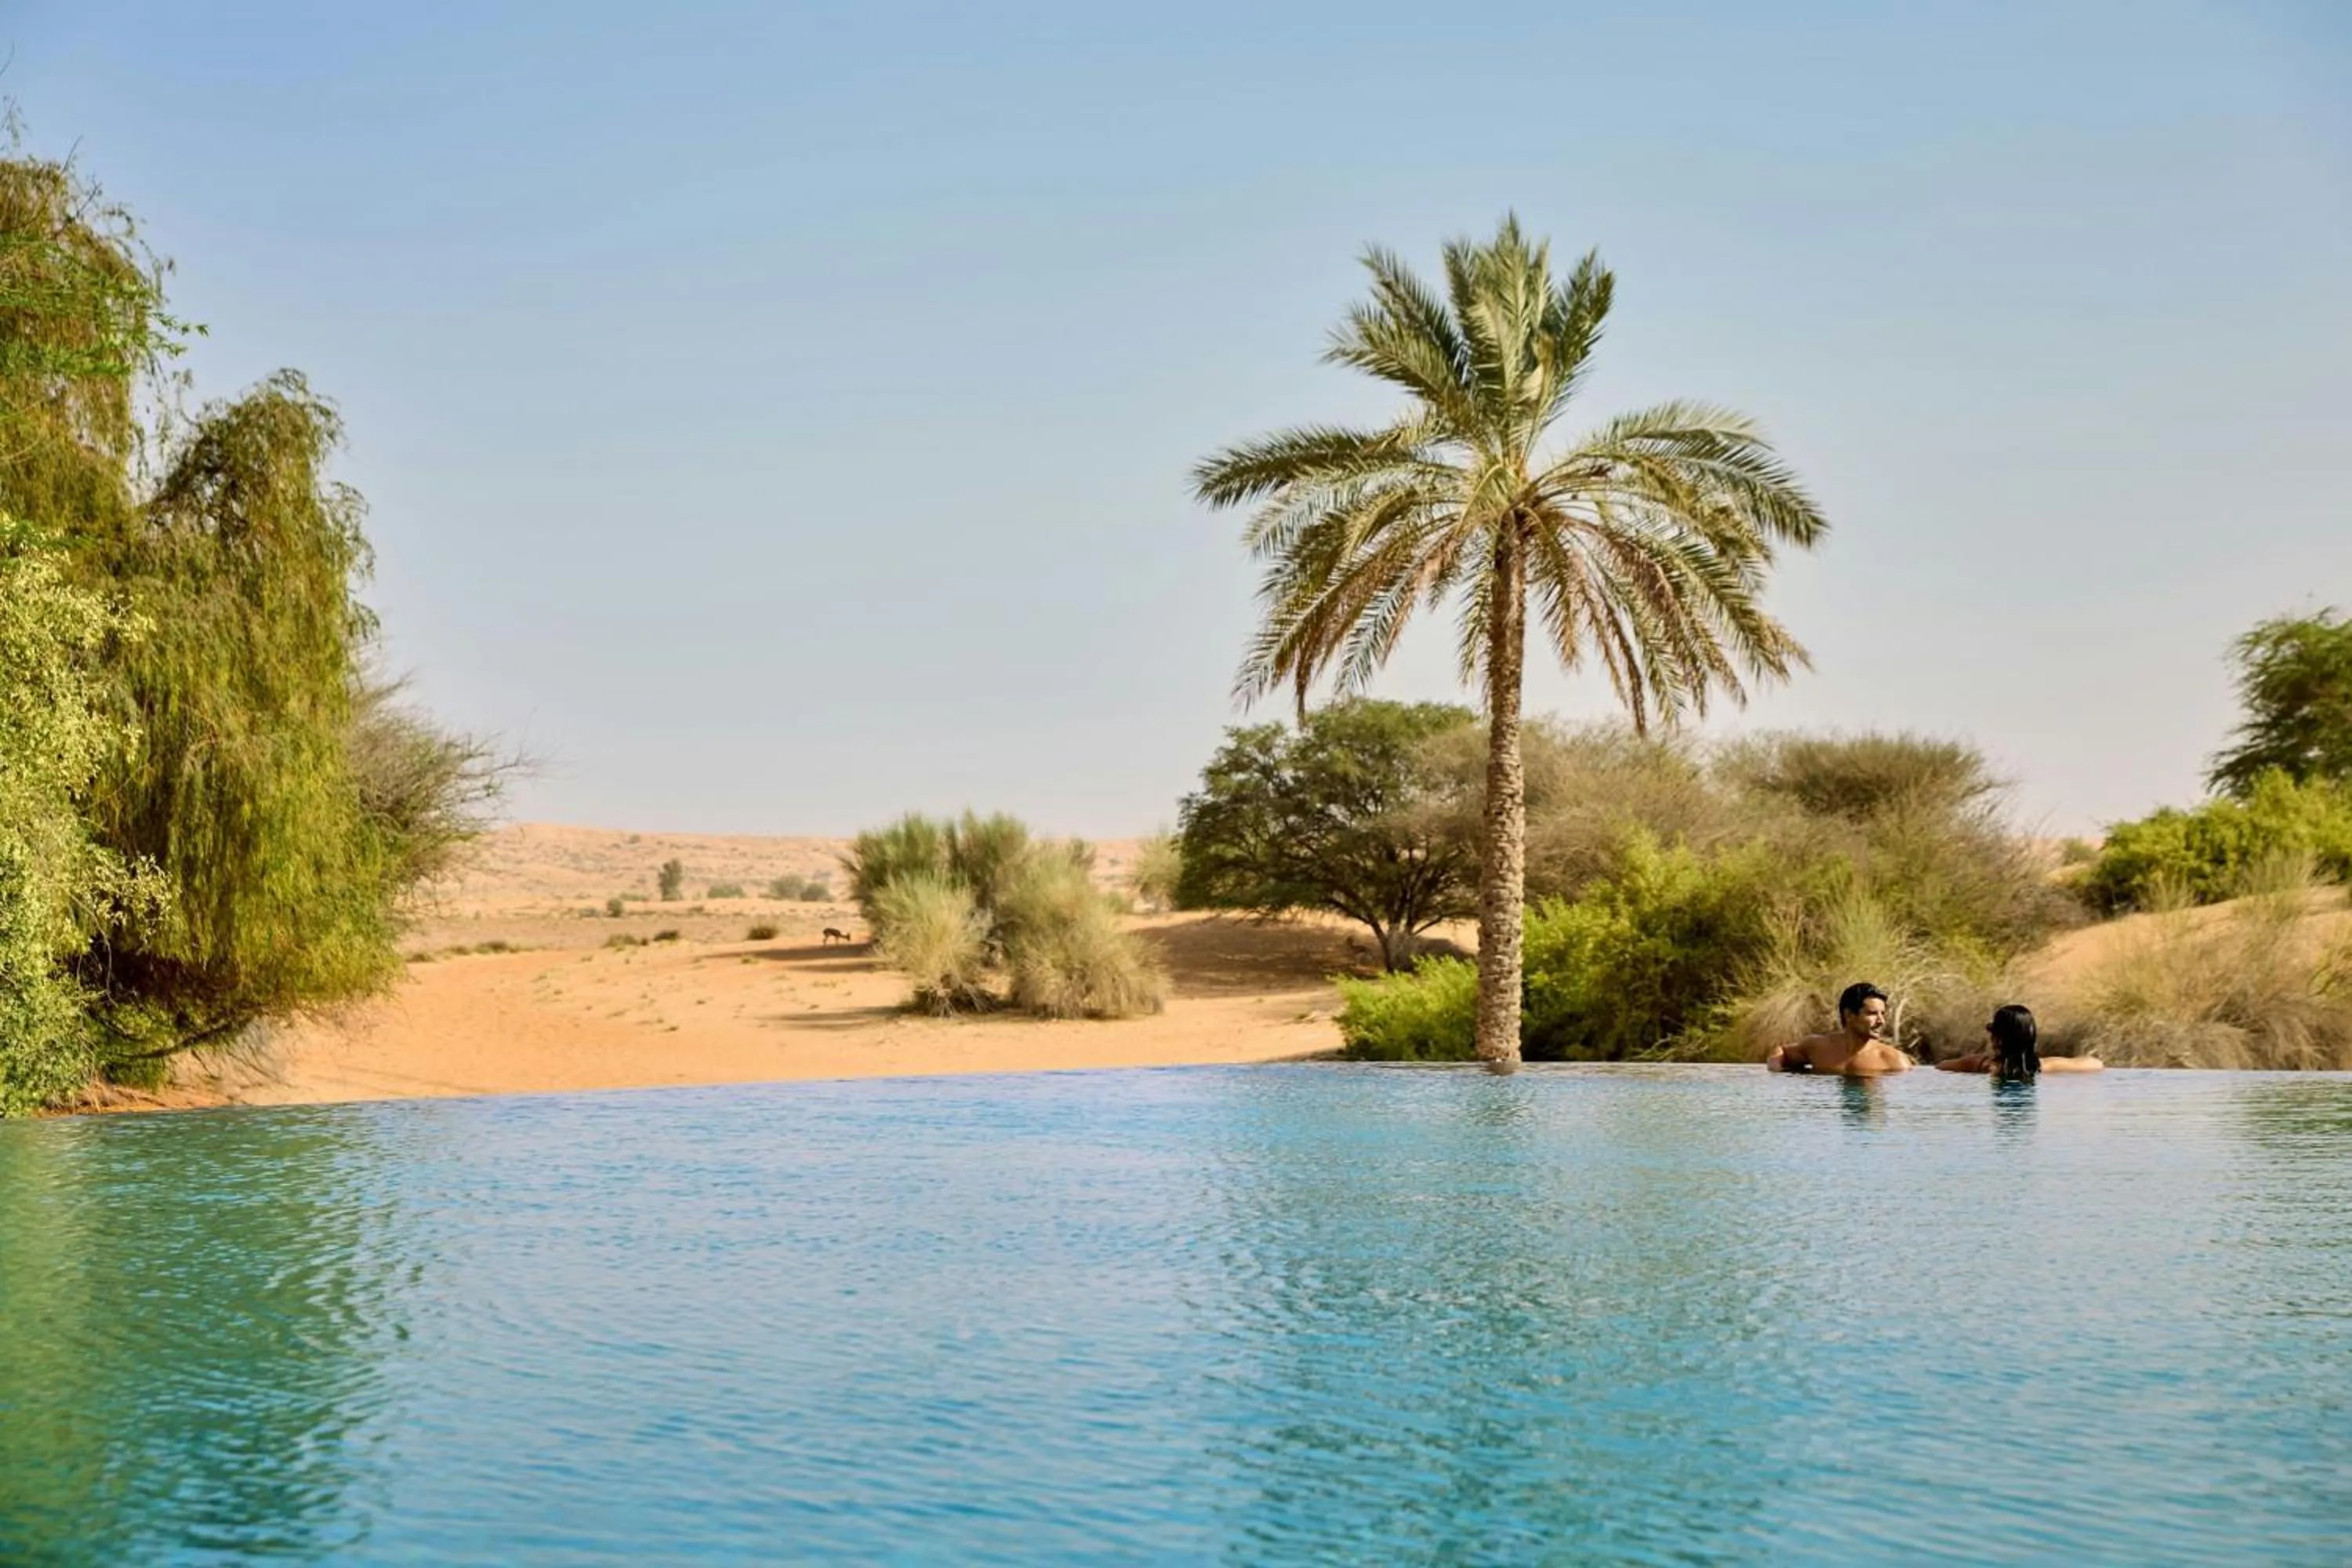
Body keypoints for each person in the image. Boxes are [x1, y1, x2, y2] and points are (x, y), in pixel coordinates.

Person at [1765, 982, 1914, 1076]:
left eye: (1883, 1014)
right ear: (1849, 1015)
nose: (1881, 1021)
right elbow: (1781, 1051)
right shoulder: (1818, 1047)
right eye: (1872, 1014)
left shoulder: (1895, 1060)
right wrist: (1775, 1071)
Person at [1934, 1004, 2103, 1079]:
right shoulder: (2043, 1066)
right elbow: (2096, 1064)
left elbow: (1941, 1066)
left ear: (1996, 1037)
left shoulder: (1979, 1064)